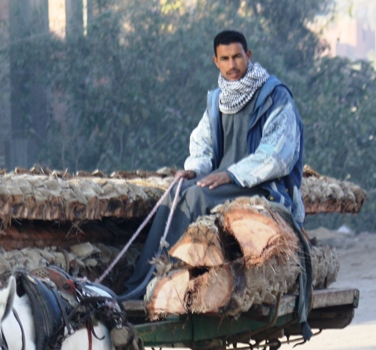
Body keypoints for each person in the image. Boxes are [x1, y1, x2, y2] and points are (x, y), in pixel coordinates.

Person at [122, 30, 305, 299]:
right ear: (215, 61)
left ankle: (162, 283)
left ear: (249, 56)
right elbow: (202, 143)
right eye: (225, 58)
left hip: (264, 187)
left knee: (196, 196)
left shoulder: (275, 97)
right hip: (225, 182)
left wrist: (230, 174)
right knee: (175, 192)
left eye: (237, 57)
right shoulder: (218, 100)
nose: (232, 65)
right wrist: (195, 169)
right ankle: (138, 283)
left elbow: (277, 156)